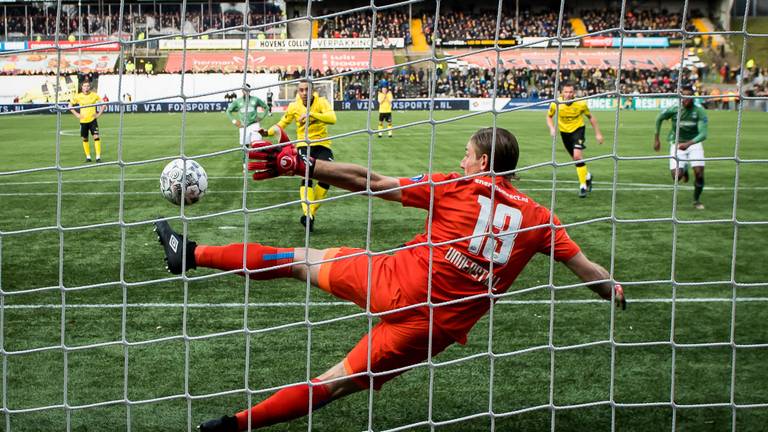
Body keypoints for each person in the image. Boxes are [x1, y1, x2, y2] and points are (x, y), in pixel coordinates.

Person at [153, 126, 626, 432]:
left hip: (393, 281)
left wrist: (301, 165)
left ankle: (191, 254)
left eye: (466, 155)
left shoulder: (457, 186)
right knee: (333, 384)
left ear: (483, 163)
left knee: (297, 260)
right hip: (433, 329)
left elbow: (370, 182)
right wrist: (614, 291)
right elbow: (590, 273)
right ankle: (231, 426)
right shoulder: (540, 219)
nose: (462, 161)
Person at [259, 81, 337, 231]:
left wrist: (311, 114)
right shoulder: (294, 106)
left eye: (306, 90)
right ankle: (308, 214)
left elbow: (333, 118)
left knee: (328, 177)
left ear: (312, 90)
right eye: (301, 90)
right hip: (303, 146)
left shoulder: (321, 102)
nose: (303, 93)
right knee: (306, 175)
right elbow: (282, 123)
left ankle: (309, 215)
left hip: (323, 145)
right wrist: (267, 132)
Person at [546, 82, 604, 198]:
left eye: (571, 92)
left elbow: (590, 117)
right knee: (576, 160)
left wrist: (598, 133)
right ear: (561, 92)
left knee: (577, 156)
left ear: (574, 93)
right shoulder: (556, 103)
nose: (568, 94)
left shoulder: (581, 103)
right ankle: (587, 176)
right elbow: (549, 116)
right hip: (564, 133)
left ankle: (583, 186)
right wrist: (552, 128)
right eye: (566, 92)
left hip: (578, 130)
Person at [654, 87, 708, 210]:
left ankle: (696, 200)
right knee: (677, 177)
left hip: (694, 144)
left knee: (699, 174)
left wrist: (688, 144)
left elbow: (703, 134)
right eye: (684, 96)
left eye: (689, 96)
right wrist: (657, 138)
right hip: (677, 143)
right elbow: (659, 118)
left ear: (693, 98)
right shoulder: (674, 109)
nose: (686, 99)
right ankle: (684, 169)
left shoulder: (699, 111)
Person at [69, 80, 106, 163]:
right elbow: (69, 106)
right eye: (84, 86)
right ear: (82, 87)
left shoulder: (94, 95)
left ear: (90, 87)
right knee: (85, 138)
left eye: (88, 86)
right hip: (83, 121)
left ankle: (98, 157)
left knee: (96, 136)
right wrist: (77, 114)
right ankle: (88, 157)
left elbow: (104, 104)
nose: (86, 87)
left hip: (92, 120)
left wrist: (98, 114)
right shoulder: (78, 96)